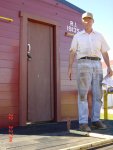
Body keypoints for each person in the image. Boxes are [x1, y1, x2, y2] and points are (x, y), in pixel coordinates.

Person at [68, 12, 113, 132]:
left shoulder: (99, 36)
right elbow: (72, 52)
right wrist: (70, 68)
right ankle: (83, 123)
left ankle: (95, 120)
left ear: (93, 21)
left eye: (89, 19)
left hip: (97, 64)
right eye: (84, 19)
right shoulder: (77, 36)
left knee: (97, 94)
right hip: (83, 63)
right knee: (83, 94)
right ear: (82, 21)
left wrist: (108, 67)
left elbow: (104, 52)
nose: (87, 21)